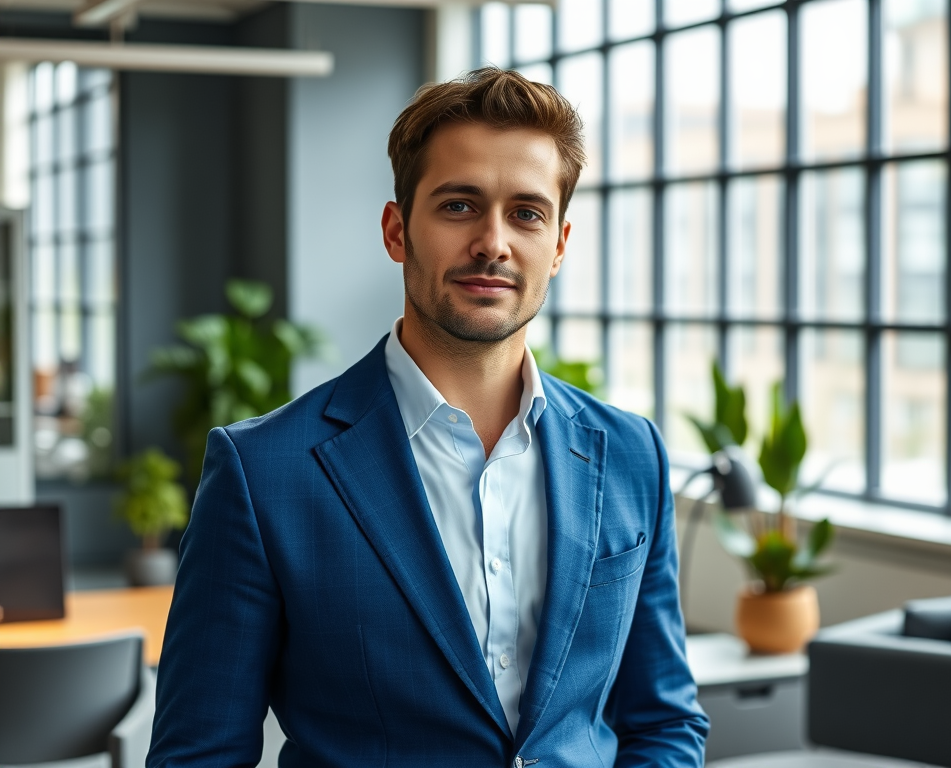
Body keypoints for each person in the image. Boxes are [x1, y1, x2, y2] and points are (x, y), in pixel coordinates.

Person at [147, 67, 708, 768]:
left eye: (527, 213)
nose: (494, 243)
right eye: (459, 206)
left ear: (559, 245)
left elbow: (664, 722)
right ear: (397, 230)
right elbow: (197, 756)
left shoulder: (632, 454)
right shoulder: (263, 473)